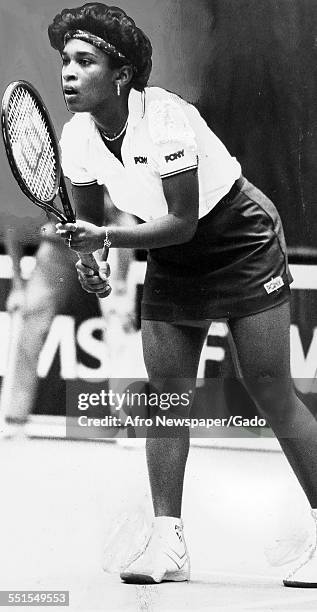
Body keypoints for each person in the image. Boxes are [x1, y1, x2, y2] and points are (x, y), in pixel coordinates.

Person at [49, 2, 317, 587]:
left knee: (270, 390)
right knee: (167, 396)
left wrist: (108, 238)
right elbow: (92, 229)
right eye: (65, 61)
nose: (68, 72)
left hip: (236, 237)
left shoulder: (167, 117)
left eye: (84, 61)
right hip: (170, 253)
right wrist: (92, 260)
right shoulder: (76, 138)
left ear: (120, 74)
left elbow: (183, 220)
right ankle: (168, 543)